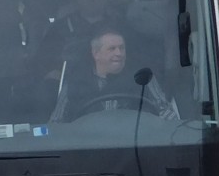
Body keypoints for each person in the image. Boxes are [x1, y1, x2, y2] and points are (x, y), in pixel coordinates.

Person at [49, 26, 179, 123]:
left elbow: (166, 111)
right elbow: (56, 123)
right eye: (112, 49)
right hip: (86, 150)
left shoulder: (143, 78)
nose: (119, 53)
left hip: (135, 149)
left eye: (122, 48)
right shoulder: (74, 82)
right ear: (96, 54)